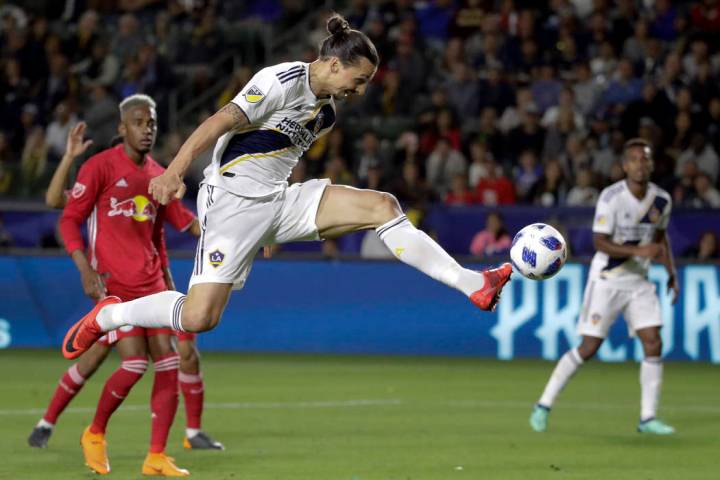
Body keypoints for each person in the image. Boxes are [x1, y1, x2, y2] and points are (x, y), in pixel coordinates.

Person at [61, 14, 512, 366]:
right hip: (233, 202)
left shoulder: (326, 113)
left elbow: (279, 157)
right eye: (358, 80)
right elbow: (219, 121)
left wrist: (272, 228)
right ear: (334, 64)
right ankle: (109, 315)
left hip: (277, 200)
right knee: (200, 318)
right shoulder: (279, 81)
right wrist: (174, 171)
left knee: (382, 205)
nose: (360, 91)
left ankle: (473, 283)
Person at [30, 122, 224, 454]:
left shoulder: (152, 182)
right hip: (115, 289)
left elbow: (178, 226)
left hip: (153, 284)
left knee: (180, 355)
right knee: (99, 359)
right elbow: (54, 200)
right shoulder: (101, 185)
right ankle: (50, 424)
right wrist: (69, 158)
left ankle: (188, 435)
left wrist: (229, 227)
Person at [52, 94, 202, 476]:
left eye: (151, 122)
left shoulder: (160, 175)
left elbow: (163, 233)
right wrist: (84, 268)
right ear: (122, 127)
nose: (147, 129)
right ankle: (94, 433)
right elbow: (68, 219)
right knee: (134, 364)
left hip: (152, 283)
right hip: (115, 289)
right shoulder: (99, 166)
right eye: (138, 122)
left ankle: (156, 456)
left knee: (169, 362)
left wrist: (241, 231)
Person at [529, 138, 679, 435]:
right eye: (634, 159)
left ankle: (648, 417)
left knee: (653, 341)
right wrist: (639, 251)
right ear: (624, 166)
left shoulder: (662, 200)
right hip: (607, 280)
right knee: (589, 347)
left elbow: (660, 238)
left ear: (651, 164)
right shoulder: (611, 198)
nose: (640, 164)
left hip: (639, 282)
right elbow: (600, 242)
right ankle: (543, 405)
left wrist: (671, 271)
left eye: (645, 159)